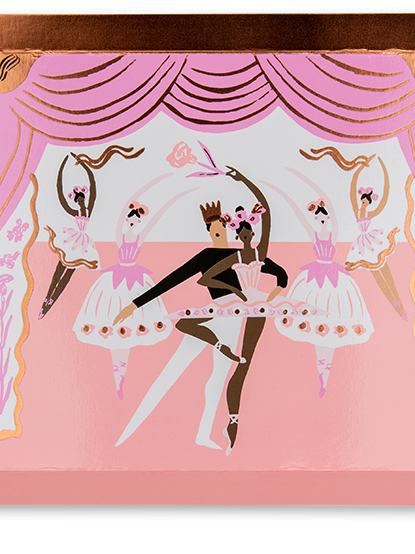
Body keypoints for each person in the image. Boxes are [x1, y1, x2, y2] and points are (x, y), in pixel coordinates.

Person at [112, 190, 286, 450]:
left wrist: (270, 294)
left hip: (235, 318)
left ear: (230, 229)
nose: (218, 235)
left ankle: (204, 433)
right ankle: (136, 425)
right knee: (175, 367)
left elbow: (277, 271)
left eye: (221, 230)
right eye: (213, 231)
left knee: (218, 376)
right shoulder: (207, 256)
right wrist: (136, 303)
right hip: (218, 313)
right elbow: (172, 280)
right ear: (209, 233)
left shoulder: (241, 254)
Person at [73, 175, 193, 398]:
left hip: (135, 278)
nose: (133, 222)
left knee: (131, 323)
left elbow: (152, 222)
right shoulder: (121, 235)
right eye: (131, 218)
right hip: (118, 279)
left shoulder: (138, 236)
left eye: (136, 220)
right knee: (112, 320)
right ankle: (118, 374)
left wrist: (169, 201)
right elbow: (120, 220)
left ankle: (121, 375)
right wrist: (141, 193)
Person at [197, 167, 288, 450]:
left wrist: (244, 180)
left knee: (244, 364)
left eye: (250, 231)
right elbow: (204, 279)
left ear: (253, 231)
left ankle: (232, 422)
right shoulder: (235, 256)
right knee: (234, 362)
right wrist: (236, 291)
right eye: (243, 231)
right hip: (239, 307)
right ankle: (228, 421)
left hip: (257, 307)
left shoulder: (261, 253)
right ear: (238, 233)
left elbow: (268, 214)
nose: (247, 234)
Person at [269, 169, 373, 397]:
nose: (321, 220)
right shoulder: (315, 233)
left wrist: (314, 186)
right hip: (315, 276)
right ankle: (322, 373)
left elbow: (334, 216)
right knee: (316, 321)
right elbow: (301, 217)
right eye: (318, 218)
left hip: (332, 278)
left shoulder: (333, 232)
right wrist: (287, 196)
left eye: (323, 217)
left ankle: (325, 372)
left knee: (333, 318)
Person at [344, 156, 405, 319]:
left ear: (369, 202)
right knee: (377, 275)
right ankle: (393, 301)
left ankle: (397, 299)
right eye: (362, 200)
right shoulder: (357, 211)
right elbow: (352, 189)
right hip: (362, 244)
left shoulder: (371, 212)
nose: (363, 203)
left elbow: (384, 198)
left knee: (385, 270)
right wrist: (358, 169)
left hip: (372, 241)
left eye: (366, 201)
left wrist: (384, 170)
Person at [39, 154, 99, 318]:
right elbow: (61, 195)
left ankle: (52, 299)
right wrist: (61, 170)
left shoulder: (89, 209)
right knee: (60, 270)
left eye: (82, 197)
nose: (81, 200)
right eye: (79, 198)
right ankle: (47, 298)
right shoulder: (74, 211)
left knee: (68, 273)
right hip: (72, 240)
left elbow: (92, 186)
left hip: (81, 243)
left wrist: (86, 166)